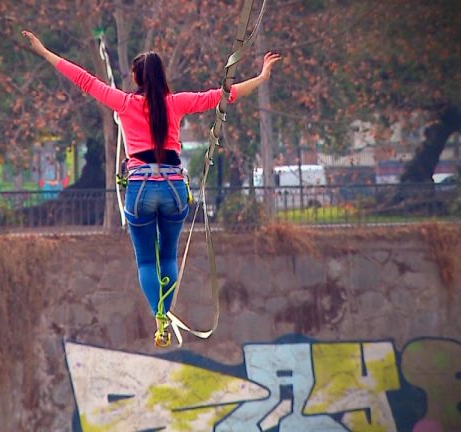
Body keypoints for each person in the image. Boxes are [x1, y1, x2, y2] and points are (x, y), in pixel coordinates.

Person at [23, 30, 281, 347]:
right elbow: (224, 94)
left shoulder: (124, 103)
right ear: (161, 76)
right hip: (173, 189)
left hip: (141, 189)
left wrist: (45, 52)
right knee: (168, 256)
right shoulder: (177, 103)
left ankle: (159, 318)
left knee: (147, 261)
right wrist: (261, 77)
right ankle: (165, 313)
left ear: (137, 77)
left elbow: (85, 80)